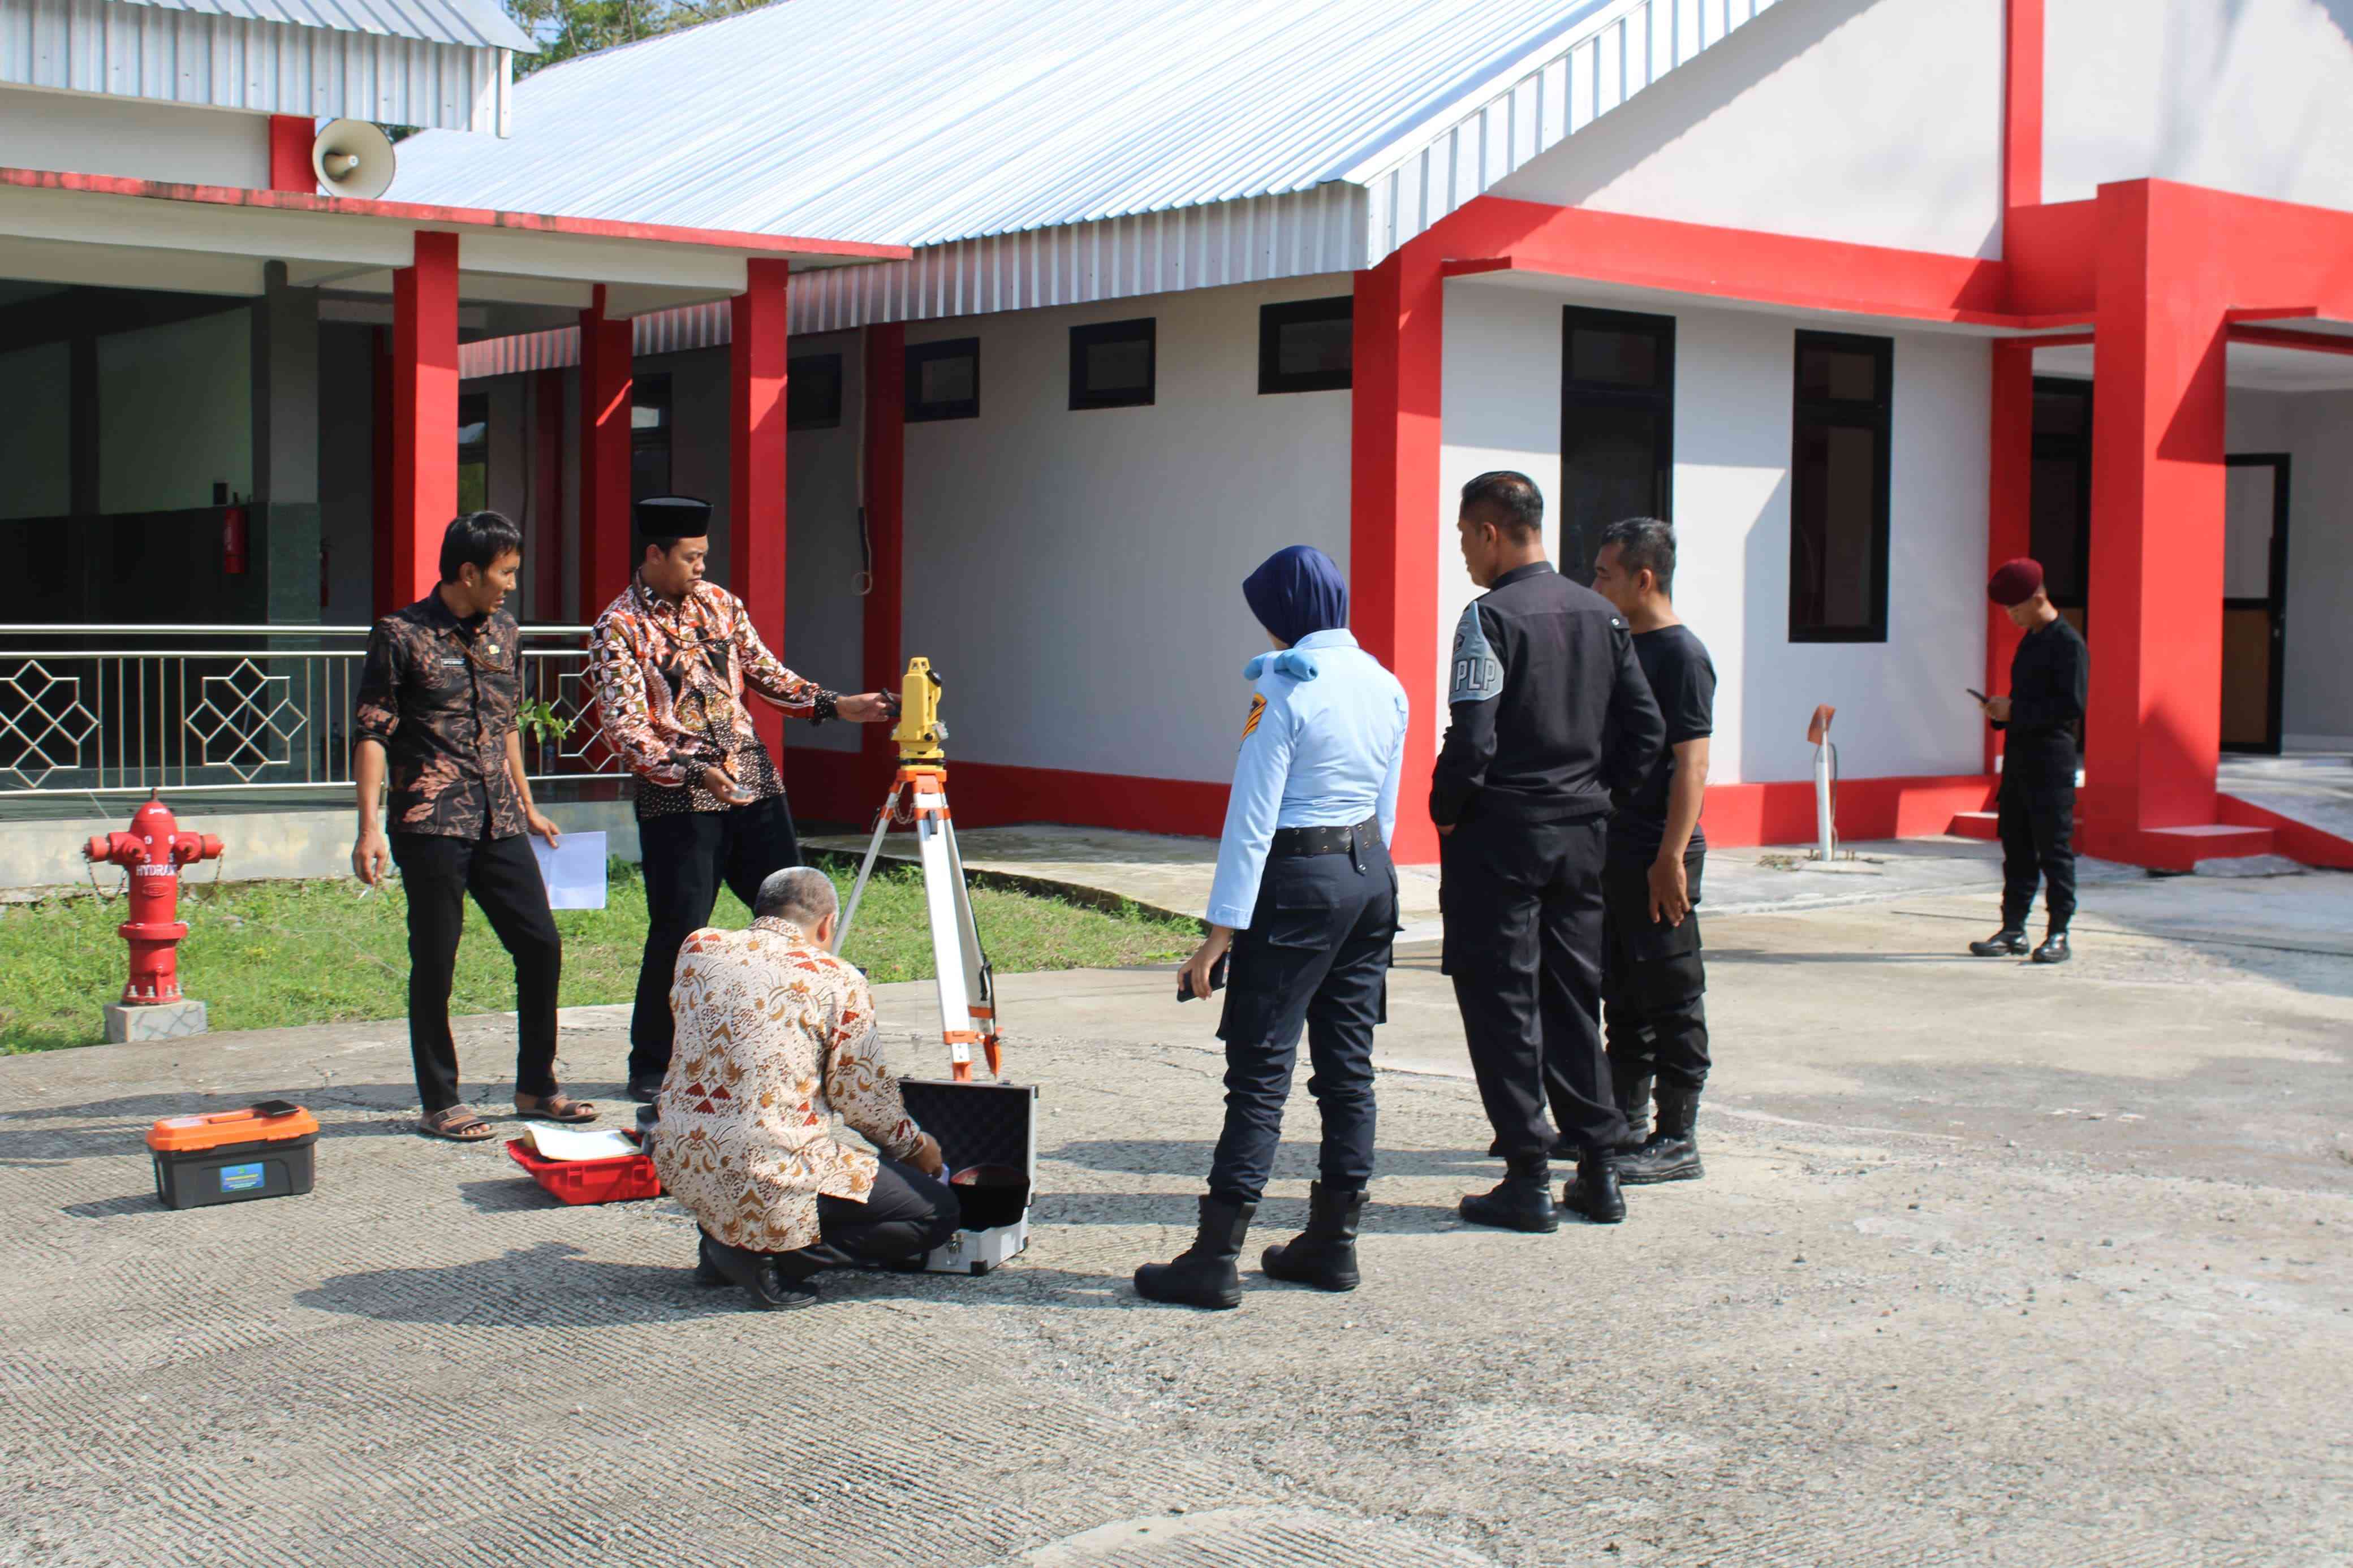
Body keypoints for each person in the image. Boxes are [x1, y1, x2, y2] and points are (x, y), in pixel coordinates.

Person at [1135, 546, 1409, 1311]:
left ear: (1282, 614)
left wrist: (1219, 933)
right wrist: (1371, 890)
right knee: (1347, 1068)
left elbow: (1252, 818)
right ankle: (1334, 1243)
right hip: (1368, 876)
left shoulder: (1284, 688)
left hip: (1297, 882)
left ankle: (1215, 1258)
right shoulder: (1386, 684)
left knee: (1259, 1071)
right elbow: (1385, 807)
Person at [588, 496, 894, 1102]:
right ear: (655, 555)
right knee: (679, 929)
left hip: (751, 780)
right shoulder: (617, 626)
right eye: (690, 557)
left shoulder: (722, 605)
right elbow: (625, 728)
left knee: (797, 910)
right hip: (678, 793)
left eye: (705, 555)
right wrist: (691, 769)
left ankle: (802, 1046)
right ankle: (651, 1064)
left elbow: (766, 674)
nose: (701, 567)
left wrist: (837, 706)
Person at [1433, 473, 1665, 1233]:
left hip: (1503, 835)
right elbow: (1647, 731)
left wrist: (1449, 812)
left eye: (1466, 536)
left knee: (1502, 999)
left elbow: (1472, 738)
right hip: (1582, 835)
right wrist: (1604, 799)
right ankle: (1599, 1170)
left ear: (1491, 531)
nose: (1464, 552)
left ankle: (1528, 1175)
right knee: (1573, 997)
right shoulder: (1604, 616)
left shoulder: (1488, 618)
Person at [351, 512, 591, 1142]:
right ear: (468, 572)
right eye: (505, 573)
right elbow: (373, 732)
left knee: (540, 943)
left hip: (499, 815)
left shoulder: (505, 633)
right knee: (436, 959)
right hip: (431, 821)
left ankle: (537, 1085)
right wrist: (369, 828)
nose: (512, 585)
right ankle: (440, 1098)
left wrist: (528, 803)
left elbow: (507, 723)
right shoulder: (399, 634)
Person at [654, 866, 958, 1309]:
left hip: (682, 1159)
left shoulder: (699, 947)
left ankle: (723, 1238)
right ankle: (771, 1259)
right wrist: (915, 1147)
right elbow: (863, 1100)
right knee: (936, 1212)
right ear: (827, 924)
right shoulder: (837, 977)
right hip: (769, 1168)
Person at [1591, 518, 1716, 1186]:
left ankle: (1678, 1136)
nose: (1595, 583)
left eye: (1605, 573)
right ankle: (1625, 1122)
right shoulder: (1618, 643)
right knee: (1623, 990)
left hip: (1659, 850)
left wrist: (1670, 858)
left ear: (1644, 579)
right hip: (1615, 846)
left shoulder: (1681, 655)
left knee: (1671, 990)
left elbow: (1691, 766)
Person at [1973, 558, 2087, 965]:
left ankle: (2059, 932)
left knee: (2054, 852)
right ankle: (2013, 929)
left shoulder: (2068, 644)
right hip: (2020, 760)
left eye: (2015, 609)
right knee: (2017, 850)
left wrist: (2015, 710)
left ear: (2038, 598)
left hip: (2050, 765)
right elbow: (2025, 702)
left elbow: (2069, 708)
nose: (2011, 616)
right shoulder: (2031, 640)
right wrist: (2000, 714)